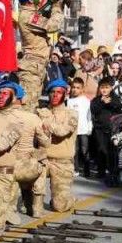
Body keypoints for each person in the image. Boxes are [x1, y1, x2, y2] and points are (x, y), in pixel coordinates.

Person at [0, 82, 42, 227]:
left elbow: (0, 145)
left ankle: (1, 208)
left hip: (1, 173)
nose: (1, 96)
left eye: (5, 93)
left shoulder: (17, 121)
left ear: (13, 98)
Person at [14, 0, 63, 103]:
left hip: (36, 66)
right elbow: (52, 25)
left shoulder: (31, 13)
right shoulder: (27, 16)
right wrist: (57, 7)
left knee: (32, 103)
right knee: (27, 106)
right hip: (32, 67)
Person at [36, 79, 78, 212]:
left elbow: (62, 131)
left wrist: (47, 124)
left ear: (65, 95)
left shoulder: (72, 114)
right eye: (52, 92)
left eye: (59, 92)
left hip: (62, 163)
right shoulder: (41, 112)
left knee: (60, 207)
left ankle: (69, 199)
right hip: (42, 160)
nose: (55, 95)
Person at [90, 78, 121, 182]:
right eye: (102, 87)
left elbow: (118, 106)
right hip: (99, 129)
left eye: (107, 87)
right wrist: (102, 102)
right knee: (101, 149)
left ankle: (112, 171)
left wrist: (109, 102)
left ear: (111, 88)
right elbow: (94, 109)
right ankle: (101, 170)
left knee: (111, 150)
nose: (104, 90)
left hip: (111, 128)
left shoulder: (115, 98)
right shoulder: (96, 100)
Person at [67, 77, 93, 176]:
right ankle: (76, 169)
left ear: (82, 89)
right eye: (73, 87)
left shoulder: (86, 101)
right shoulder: (69, 101)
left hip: (84, 130)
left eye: (78, 88)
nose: (75, 89)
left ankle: (87, 170)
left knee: (84, 150)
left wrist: (90, 128)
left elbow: (89, 115)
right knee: (74, 150)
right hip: (73, 130)